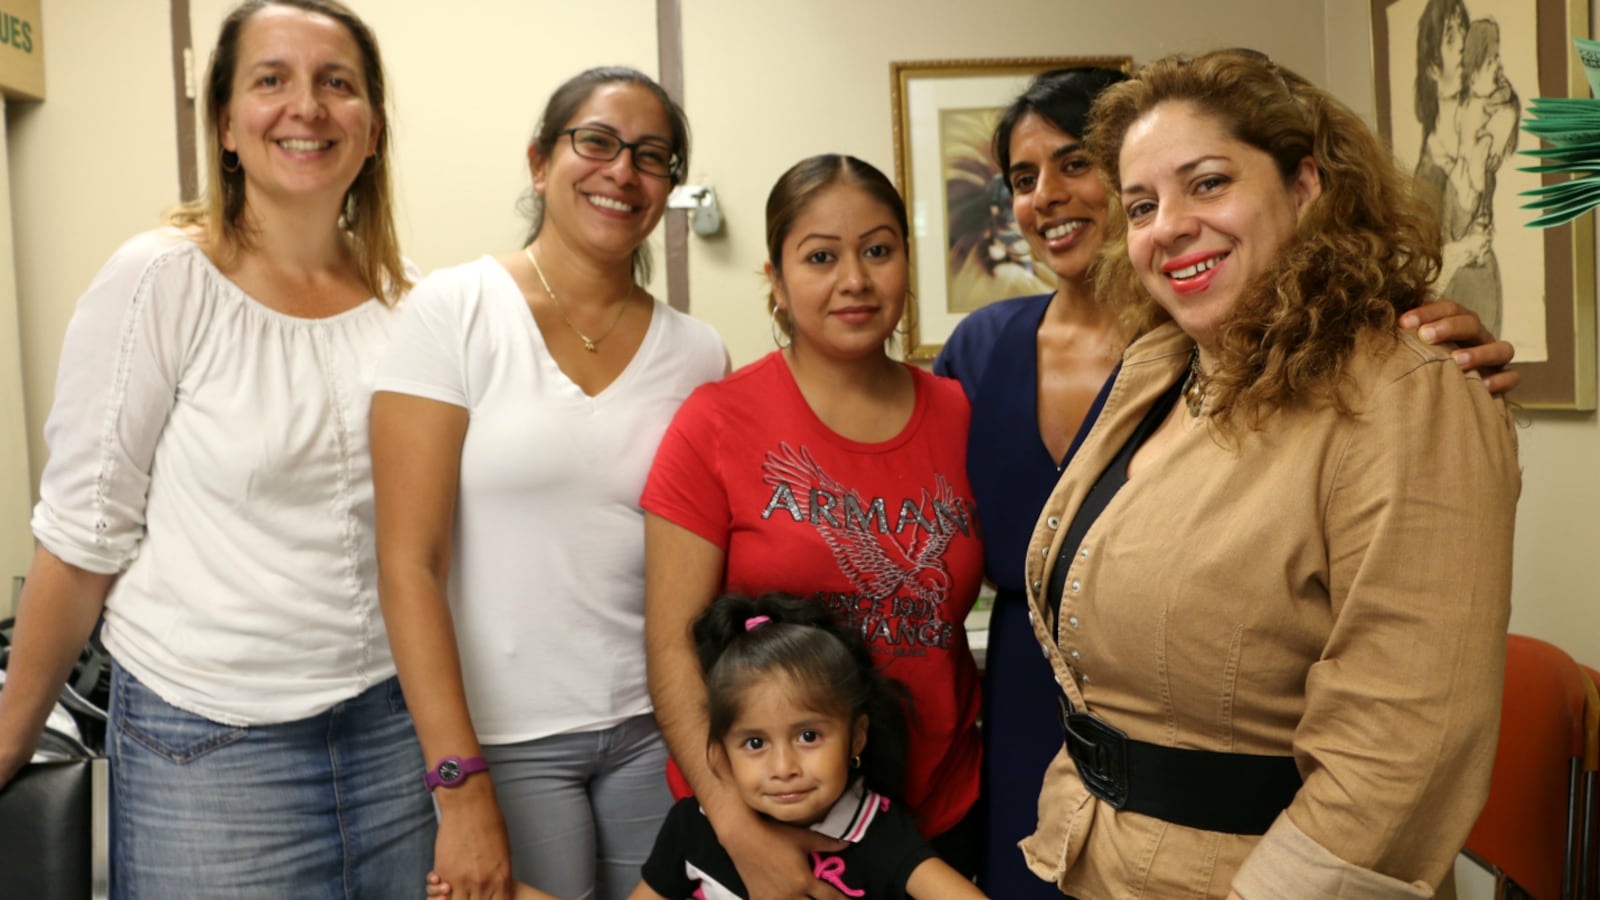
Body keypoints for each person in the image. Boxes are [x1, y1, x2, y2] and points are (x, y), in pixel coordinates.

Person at [932, 65, 1521, 896]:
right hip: (1094, 855)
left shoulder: (1407, 393)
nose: (1170, 226)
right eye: (1142, 205)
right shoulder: (1165, 368)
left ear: (1306, 185)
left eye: (1207, 183)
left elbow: (1400, 756)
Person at [0, 1, 436, 895]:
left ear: (373, 128)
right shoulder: (162, 280)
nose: (306, 106)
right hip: (208, 750)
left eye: (337, 83)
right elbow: (82, 538)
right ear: (227, 125)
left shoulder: (413, 304)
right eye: (272, 80)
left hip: (395, 737)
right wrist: (10, 739)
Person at [371, 66, 727, 900]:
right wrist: (458, 782)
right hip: (503, 740)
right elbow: (407, 564)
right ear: (539, 162)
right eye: (596, 142)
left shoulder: (699, 353)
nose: (622, 172)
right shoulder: (453, 310)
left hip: (656, 731)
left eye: (651, 156)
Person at [641, 154, 985, 899]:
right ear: (775, 278)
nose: (854, 279)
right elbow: (671, 650)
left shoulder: (961, 414)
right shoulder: (715, 424)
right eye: (821, 257)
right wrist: (737, 828)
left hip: (937, 818)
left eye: (878, 250)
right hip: (768, 829)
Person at [429, 593, 987, 899]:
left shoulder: (878, 831)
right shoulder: (692, 828)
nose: (784, 767)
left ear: (856, 736)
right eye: (755, 743)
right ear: (718, 756)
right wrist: (506, 895)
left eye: (809, 736)